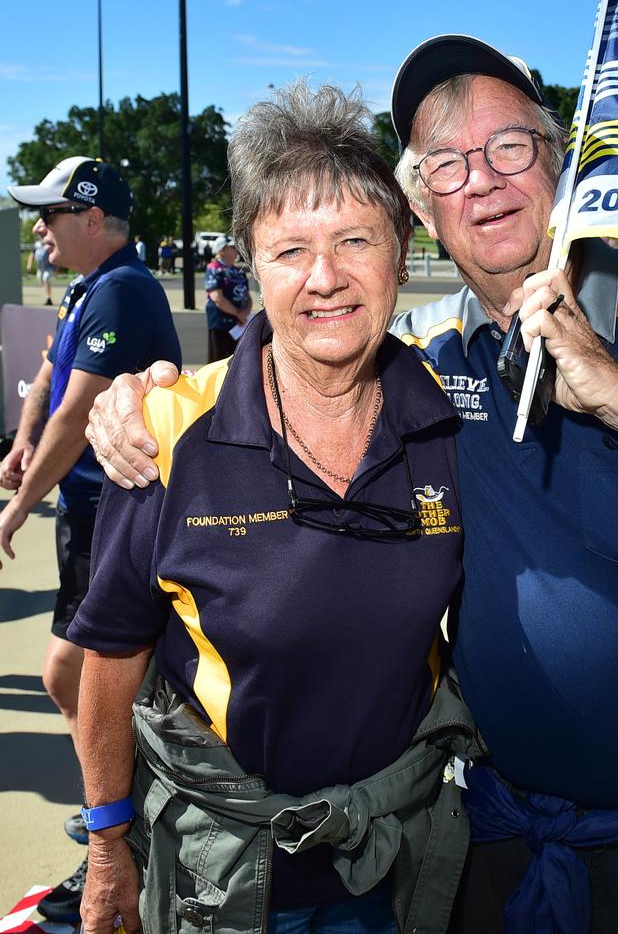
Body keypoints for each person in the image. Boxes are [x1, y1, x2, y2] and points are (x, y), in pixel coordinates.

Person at [86, 37, 618, 933]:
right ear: (424, 210)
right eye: (446, 164)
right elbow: (311, 337)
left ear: (559, 165)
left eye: (509, 149)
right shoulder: (424, 361)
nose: (481, 181)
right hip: (497, 837)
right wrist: (136, 397)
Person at [67, 83, 478, 934]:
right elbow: (105, 656)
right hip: (218, 878)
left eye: (355, 241)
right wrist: (107, 846)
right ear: (252, 268)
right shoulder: (167, 429)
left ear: (401, 253)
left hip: (390, 866)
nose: (324, 278)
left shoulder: (449, 417)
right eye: (291, 249)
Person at [0, 155, 182, 924]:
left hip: (116, 518)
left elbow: (80, 417)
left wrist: (12, 511)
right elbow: (50, 378)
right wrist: (21, 442)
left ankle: (121, 830)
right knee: (68, 677)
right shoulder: (89, 289)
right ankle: (116, 814)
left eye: (51, 213)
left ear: (95, 219)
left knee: (72, 676)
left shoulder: (126, 291)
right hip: (87, 517)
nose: (39, 227)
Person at [204, 234, 253, 361]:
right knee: (220, 359)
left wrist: (244, 313)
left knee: (239, 359)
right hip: (221, 323)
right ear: (222, 250)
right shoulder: (214, 269)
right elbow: (217, 298)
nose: (236, 250)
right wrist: (238, 313)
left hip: (240, 323)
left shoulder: (239, 271)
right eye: (232, 247)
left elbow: (247, 296)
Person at [27, 237, 56, 304]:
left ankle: (48, 298)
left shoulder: (50, 244)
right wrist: (29, 264)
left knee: (46, 278)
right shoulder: (37, 244)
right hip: (40, 268)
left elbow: (56, 255)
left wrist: (57, 267)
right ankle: (47, 296)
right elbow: (32, 254)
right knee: (42, 281)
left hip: (49, 267)